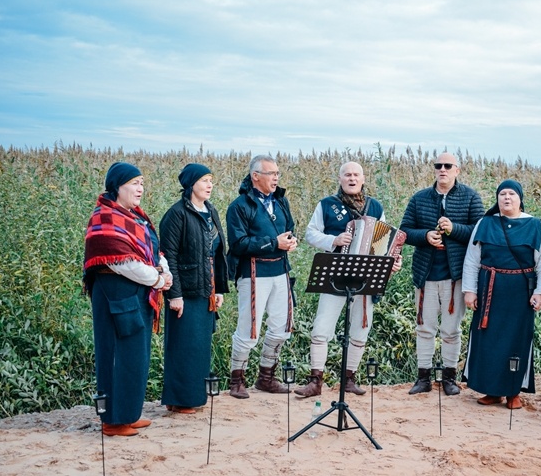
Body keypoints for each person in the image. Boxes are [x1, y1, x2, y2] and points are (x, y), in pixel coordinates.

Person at [294, 161, 402, 398]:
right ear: (340, 178)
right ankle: (315, 381)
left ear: (363, 179)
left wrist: (392, 260)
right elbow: (311, 233)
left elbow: (382, 240)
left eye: (356, 175)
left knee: (361, 328)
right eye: (347, 175)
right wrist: (334, 240)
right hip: (335, 274)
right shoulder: (327, 205)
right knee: (322, 328)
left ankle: (349, 378)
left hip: (364, 276)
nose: (352, 179)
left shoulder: (375, 206)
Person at [83, 162, 173, 436]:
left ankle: (129, 414)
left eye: (142, 183)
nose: (140, 188)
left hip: (137, 297)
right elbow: (123, 262)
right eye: (134, 183)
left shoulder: (136, 218)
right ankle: (113, 420)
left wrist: (164, 272)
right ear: (116, 186)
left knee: (136, 356)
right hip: (115, 299)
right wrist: (159, 280)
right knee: (115, 357)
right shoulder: (104, 218)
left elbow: (154, 251)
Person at [462, 179, 541, 408]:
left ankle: (513, 392)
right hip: (488, 290)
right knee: (489, 341)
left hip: (519, 293)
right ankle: (492, 391)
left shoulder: (534, 225)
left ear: (520, 198)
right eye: (502, 194)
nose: (507, 198)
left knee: (516, 340)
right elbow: (472, 259)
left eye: (512, 193)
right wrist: (470, 291)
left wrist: (540, 293)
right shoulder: (485, 223)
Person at [400, 152, 485, 395]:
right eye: (438, 166)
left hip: (455, 275)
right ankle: (423, 377)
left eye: (448, 166)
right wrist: (426, 236)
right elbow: (405, 231)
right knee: (424, 329)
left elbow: (480, 232)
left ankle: (449, 378)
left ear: (457, 170)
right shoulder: (420, 198)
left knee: (451, 330)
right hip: (425, 275)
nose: (443, 169)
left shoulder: (470, 197)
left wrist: (454, 229)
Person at [226, 154, 298, 399]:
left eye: (278, 173)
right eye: (271, 173)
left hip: (281, 271)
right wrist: (273, 243)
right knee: (249, 328)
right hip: (253, 272)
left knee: (281, 326)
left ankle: (266, 377)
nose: (276, 177)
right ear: (256, 176)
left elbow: (289, 227)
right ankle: (237, 380)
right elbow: (238, 243)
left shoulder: (280, 201)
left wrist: (290, 241)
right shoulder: (239, 206)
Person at [159, 163, 229, 414]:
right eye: (204, 180)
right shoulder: (177, 214)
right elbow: (168, 256)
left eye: (211, 180)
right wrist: (174, 293)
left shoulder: (211, 211)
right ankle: (178, 400)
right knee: (182, 345)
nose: (209, 185)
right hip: (185, 291)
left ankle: (193, 397)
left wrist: (219, 289)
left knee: (199, 345)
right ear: (190, 185)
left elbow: (219, 253)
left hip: (205, 288)